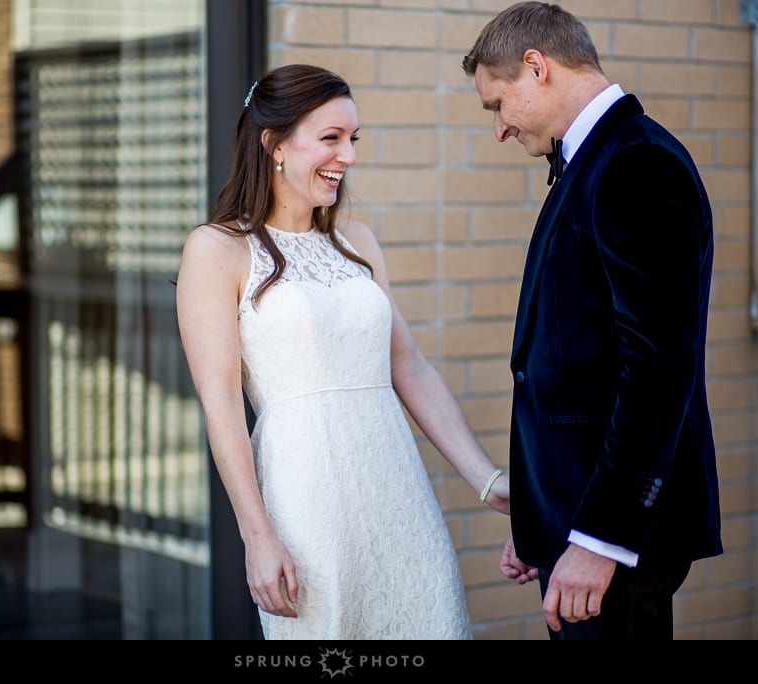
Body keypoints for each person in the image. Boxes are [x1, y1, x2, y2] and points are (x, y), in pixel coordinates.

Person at [175, 63, 509, 640]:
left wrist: (487, 479)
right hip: (306, 501)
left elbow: (409, 368)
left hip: (398, 492)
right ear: (274, 145)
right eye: (330, 139)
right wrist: (257, 535)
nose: (348, 156)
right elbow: (222, 402)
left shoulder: (356, 243)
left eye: (352, 139)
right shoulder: (216, 250)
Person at [462, 2, 723, 640]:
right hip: (573, 516)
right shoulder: (594, 161)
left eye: (497, 104)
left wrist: (600, 540)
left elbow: (658, 370)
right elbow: (577, 363)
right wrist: (540, 522)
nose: (498, 128)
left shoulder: (637, 164)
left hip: (615, 539)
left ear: (536, 67)